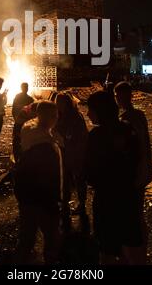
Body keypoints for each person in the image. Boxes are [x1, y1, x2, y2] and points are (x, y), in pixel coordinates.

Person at [85, 90, 140, 265]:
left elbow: (91, 173)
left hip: (107, 200)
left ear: (100, 110)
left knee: (107, 249)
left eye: (90, 109)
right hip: (129, 197)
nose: (87, 113)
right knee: (127, 246)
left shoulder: (96, 136)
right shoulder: (128, 129)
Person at [14, 101, 63, 264]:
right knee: (51, 239)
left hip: (26, 196)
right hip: (43, 200)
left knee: (26, 238)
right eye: (55, 115)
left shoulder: (28, 130)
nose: (57, 118)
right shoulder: (46, 145)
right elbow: (50, 178)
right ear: (50, 117)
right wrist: (55, 201)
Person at [114, 81, 152, 265]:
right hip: (142, 171)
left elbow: (134, 150)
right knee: (138, 212)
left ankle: (136, 254)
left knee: (133, 214)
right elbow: (146, 146)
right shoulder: (140, 115)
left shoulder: (127, 119)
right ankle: (140, 248)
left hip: (135, 174)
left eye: (118, 96)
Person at [55, 92, 88, 221]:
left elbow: (77, 136)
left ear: (66, 103)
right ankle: (65, 204)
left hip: (75, 153)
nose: (57, 105)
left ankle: (82, 204)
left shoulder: (75, 117)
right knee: (65, 179)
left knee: (78, 178)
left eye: (60, 102)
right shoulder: (60, 115)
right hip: (64, 152)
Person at [12, 83, 34, 162]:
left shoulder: (19, 97)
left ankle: (18, 158)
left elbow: (14, 109)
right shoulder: (29, 99)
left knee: (17, 141)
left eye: (26, 87)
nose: (26, 88)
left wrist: (16, 118)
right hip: (24, 123)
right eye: (25, 87)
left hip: (20, 123)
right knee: (21, 140)